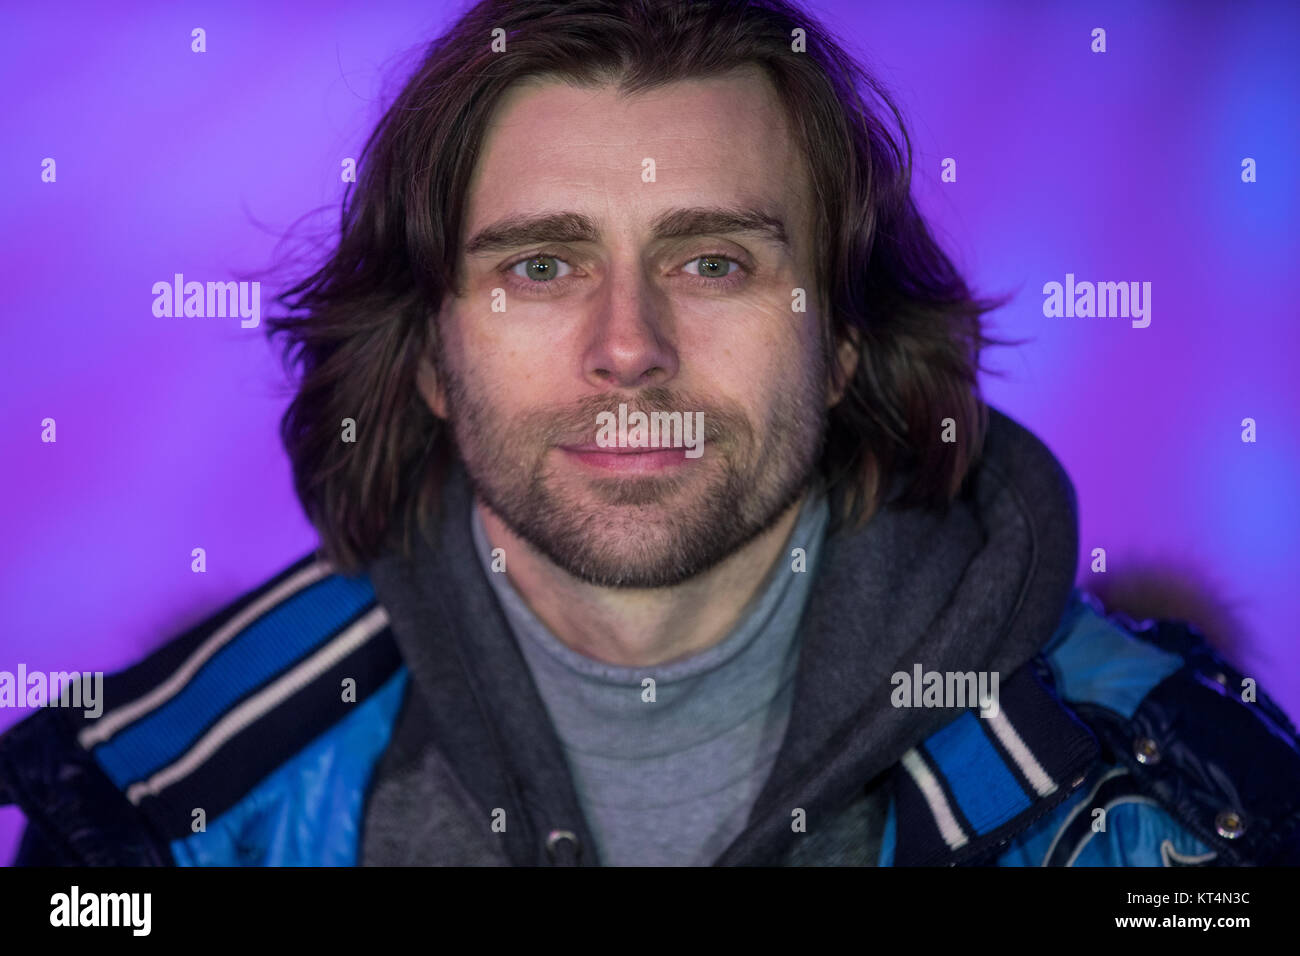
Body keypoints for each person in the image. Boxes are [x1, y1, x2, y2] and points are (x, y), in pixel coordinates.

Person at [3, 0, 1297, 867]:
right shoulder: (158, 807)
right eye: (542, 269)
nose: (629, 348)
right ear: (432, 354)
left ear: (843, 340)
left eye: (716, 263)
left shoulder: (1169, 806)